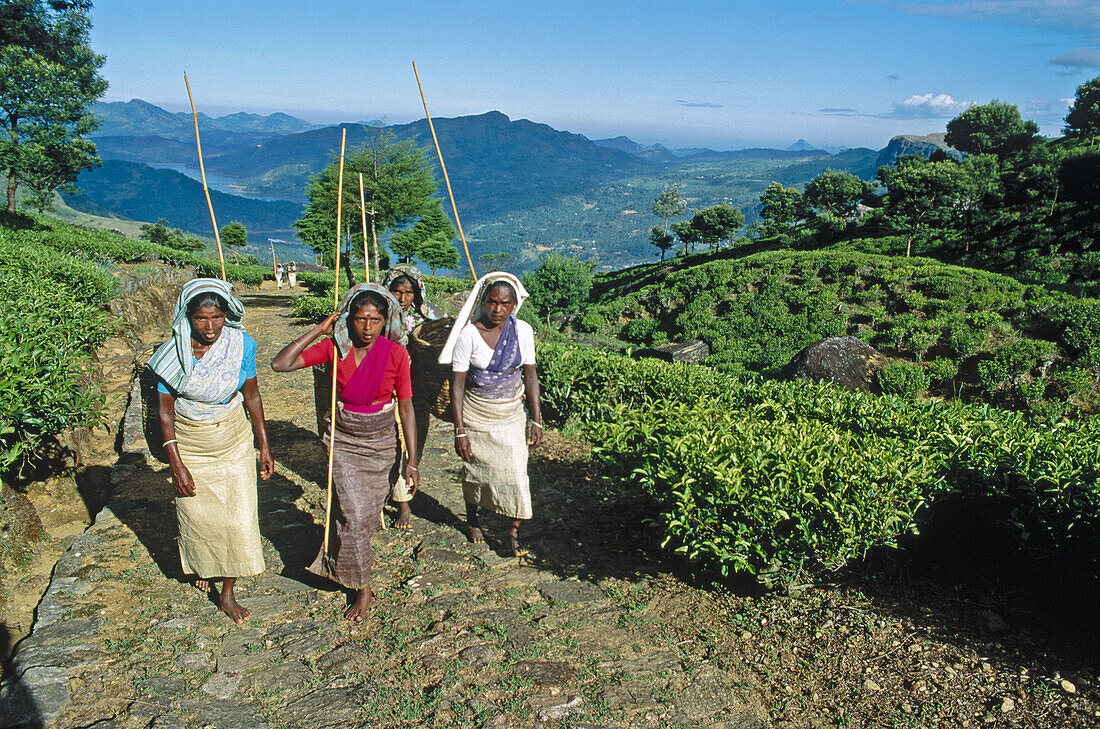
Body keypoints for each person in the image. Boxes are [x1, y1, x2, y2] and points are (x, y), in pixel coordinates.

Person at [270, 283, 419, 620]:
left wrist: (411, 460)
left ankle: (349, 558)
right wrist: (318, 330)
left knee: (364, 519)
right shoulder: (334, 349)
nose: (367, 327)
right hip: (345, 442)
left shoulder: (396, 354)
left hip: (382, 444)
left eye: (376, 320)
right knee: (352, 515)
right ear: (349, 319)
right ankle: (362, 586)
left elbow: (406, 407)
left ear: (386, 321)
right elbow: (281, 364)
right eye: (360, 319)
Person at [148, 278, 274, 624]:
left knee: (238, 515)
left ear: (226, 314)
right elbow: (165, 410)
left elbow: (252, 396)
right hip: (190, 441)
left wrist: (263, 445)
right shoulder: (173, 354)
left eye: (217, 317)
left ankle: (227, 591)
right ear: (188, 317)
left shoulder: (239, 345)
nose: (210, 327)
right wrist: (176, 463)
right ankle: (206, 565)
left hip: (232, 436)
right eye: (202, 318)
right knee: (199, 515)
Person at [439, 272, 543, 557]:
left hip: (511, 412)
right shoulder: (469, 335)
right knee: (474, 469)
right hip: (477, 413)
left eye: (505, 303)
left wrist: (537, 418)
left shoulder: (523, 331)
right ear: (483, 302)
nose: (498, 310)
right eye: (492, 302)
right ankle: (472, 520)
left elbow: (530, 377)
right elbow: (457, 385)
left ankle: (513, 532)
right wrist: (459, 429)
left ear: (514, 305)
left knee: (517, 473)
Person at [383, 264, 442, 528]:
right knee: (394, 444)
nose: (404, 299)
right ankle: (402, 504)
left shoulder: (425, 321)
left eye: (409, 293)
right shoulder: (379, 318)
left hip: (417, 392)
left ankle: (404, 494)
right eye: (397, 292)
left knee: (413, 445)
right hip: (387, 391)